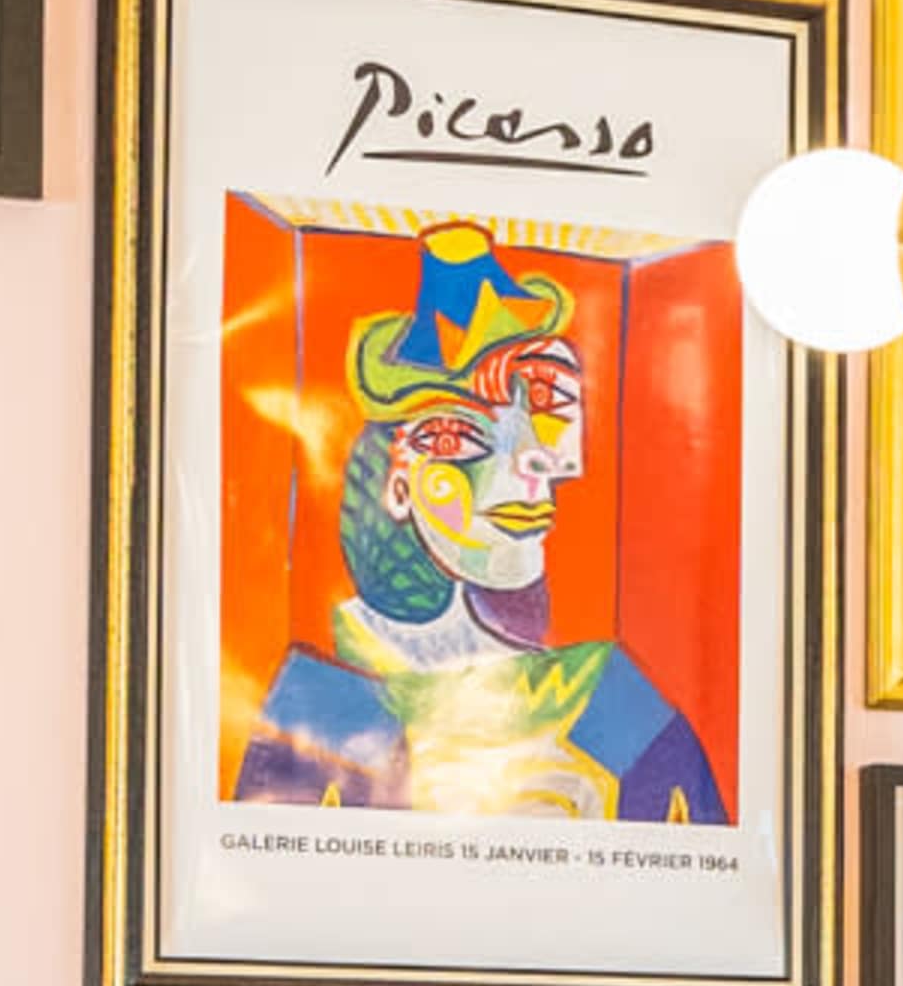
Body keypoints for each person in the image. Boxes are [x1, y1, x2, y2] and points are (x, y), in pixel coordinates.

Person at [233, 225, 726, 827]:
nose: (531, 466)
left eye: (543, 421)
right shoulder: (328, 703)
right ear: (395, 484)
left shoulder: (604, 695)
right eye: (462, 437)